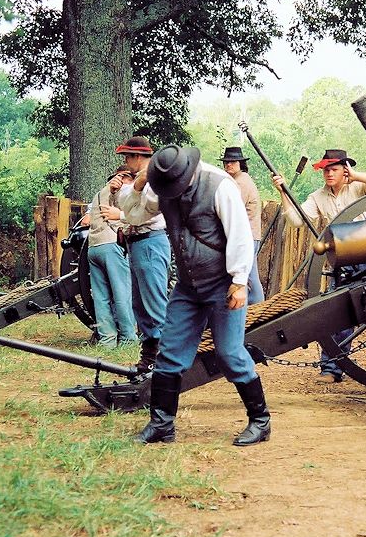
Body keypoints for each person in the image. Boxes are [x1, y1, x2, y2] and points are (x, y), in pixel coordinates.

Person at [133, 144, 271, 446]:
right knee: (168, 354)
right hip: (187, 286)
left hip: (222, 284)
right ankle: (162, 425)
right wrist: (139, 184)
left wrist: (238, 281)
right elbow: (135, 214)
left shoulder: (220, 185)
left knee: (230, 353)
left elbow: (240, 235)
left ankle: (260, 422)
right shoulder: (164, 184)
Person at [272, 149, 366, 383]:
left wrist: (358, 176)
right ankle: (332, 369)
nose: (328, 174)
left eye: (333, 169)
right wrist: (283, 193)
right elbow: (297, 220)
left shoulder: (360, 187)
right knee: (336, 312)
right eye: (325, 170)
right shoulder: (318, 197)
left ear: (345, 169)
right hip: (343, 261)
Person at [112, 136, 171, 373]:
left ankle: (166, 359)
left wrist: (127, 204)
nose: (126, 162)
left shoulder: (155, 179)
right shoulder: (138, 180)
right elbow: (127, 204)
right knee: (140, 305)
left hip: (150, 241)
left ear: (138, 157)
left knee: (155, 303)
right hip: (137, 243)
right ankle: (149, 356)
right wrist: (124, 191)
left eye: (127, 157)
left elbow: (143, 213)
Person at [84, 164, 137, 348]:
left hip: (94, 247)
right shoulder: (118, 191)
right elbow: (131, 215)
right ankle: (129, 338)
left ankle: (107, 340)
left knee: (101, 297)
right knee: (122, 293)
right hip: (111, 245)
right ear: (122, 178)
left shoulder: (99, 193)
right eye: (131, 179)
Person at [219, 146, 265, 304]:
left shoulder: (241, 182)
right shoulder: (237, 181)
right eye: (226, 162)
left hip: (247, 237)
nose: (228, 165)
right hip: (249, 236)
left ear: (241, 163)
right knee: (250, 275)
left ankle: (259, 312)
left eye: (232, 162)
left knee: (249, 276)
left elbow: (231, 210)